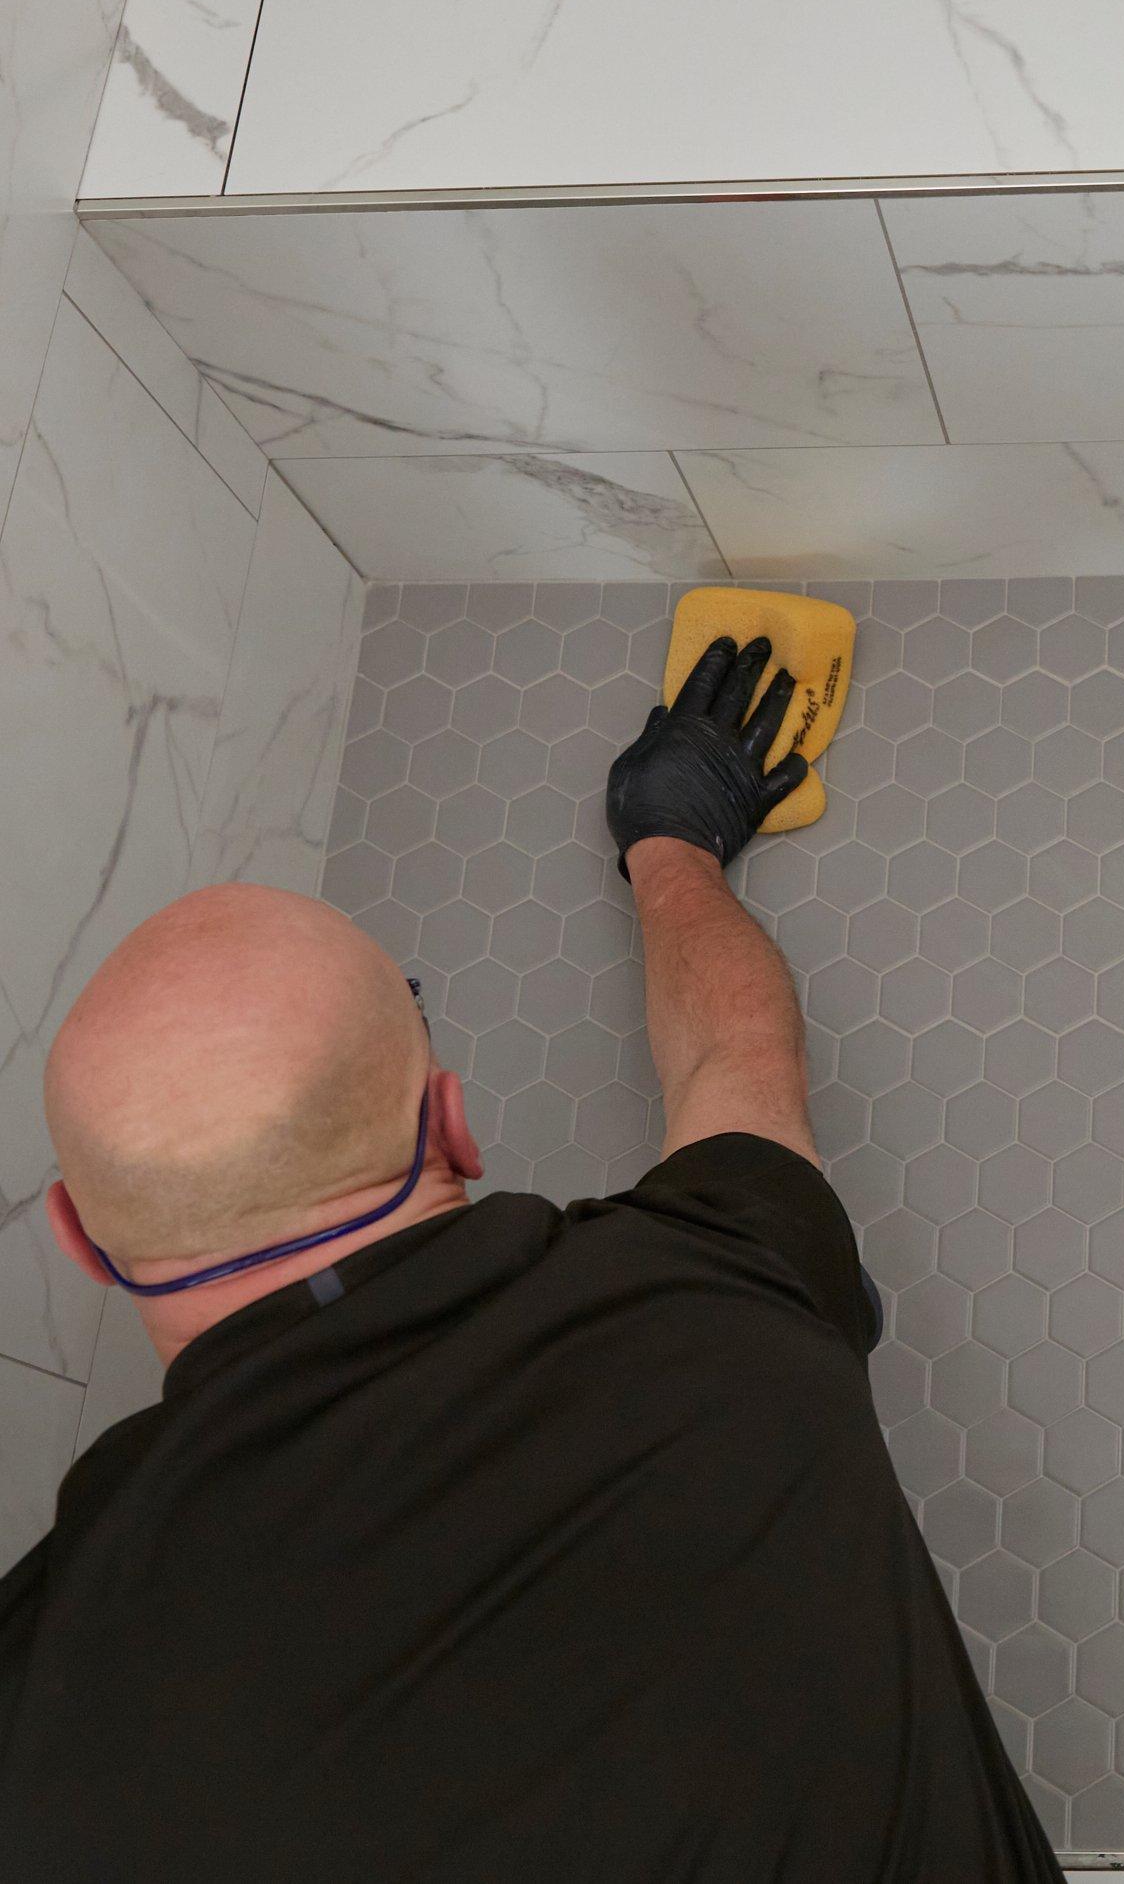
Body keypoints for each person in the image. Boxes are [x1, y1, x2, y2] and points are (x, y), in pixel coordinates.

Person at [0, 637, 1065, 1884]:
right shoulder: (721, 1291)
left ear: (76, 1239)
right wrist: (669, 837)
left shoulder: (41, 1670)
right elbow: (734, 1066)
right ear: (453, 1124)